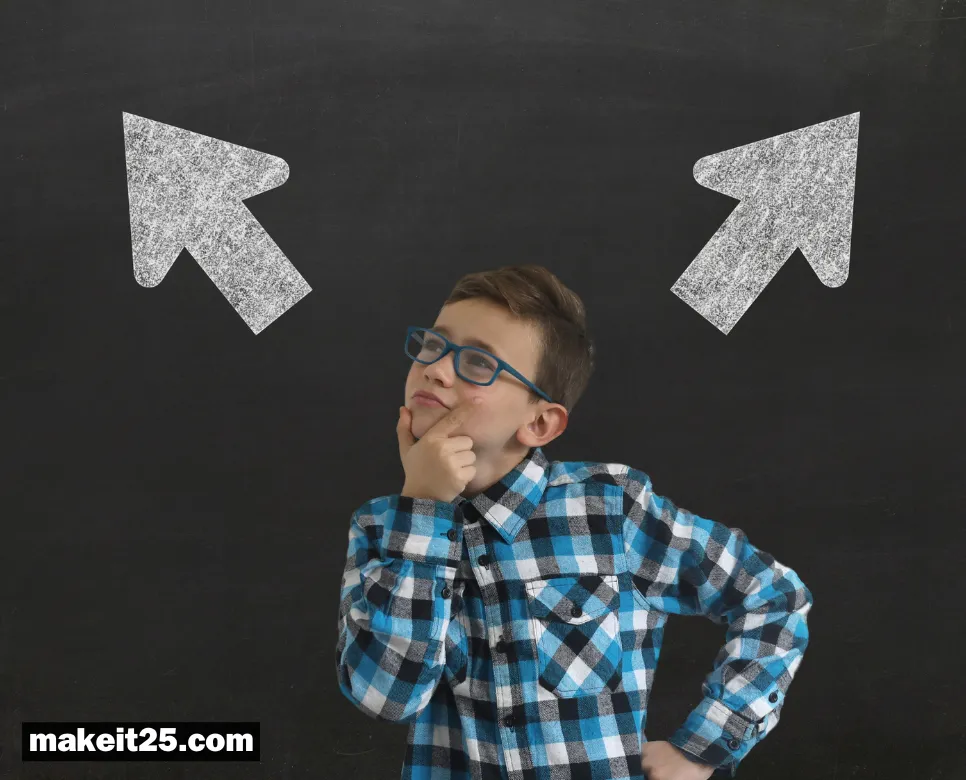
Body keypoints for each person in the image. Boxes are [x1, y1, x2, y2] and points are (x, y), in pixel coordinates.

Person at [335, 264, 812, 780]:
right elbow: (386, 698)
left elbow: (773, 595)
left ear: (540, 423)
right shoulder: (382, 529)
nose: (435, 369)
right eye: (433, 345)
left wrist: (704, 748)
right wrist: (424, 509)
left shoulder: (612, 511)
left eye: (477, 362)